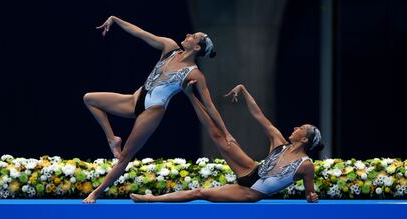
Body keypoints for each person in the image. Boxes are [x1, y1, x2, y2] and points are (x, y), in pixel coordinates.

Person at [83, 16, 234, 203]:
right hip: (134, 99)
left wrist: (226, 132)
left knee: (125, 156)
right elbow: (140, 33)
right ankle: (112, 139)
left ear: (196, 48)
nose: (187, 35)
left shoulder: (194, 74)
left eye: (193, 36)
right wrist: (115, 20)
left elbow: (210, 106)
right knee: (90, 99)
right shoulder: (169, 48)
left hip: (152, 110)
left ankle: (96, 193)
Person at [131, 84, 323, 203]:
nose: (296, 127)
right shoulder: (279, 141)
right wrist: (244, 90)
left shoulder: (306, 166)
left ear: (305, 139)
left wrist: (311, 197)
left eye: (301, 128)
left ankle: (151, 199)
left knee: (200, 193)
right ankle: (189, 94)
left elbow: (309, 194)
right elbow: (258, 115)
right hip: (249, 169)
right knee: (218, 135)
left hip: (250, 192)